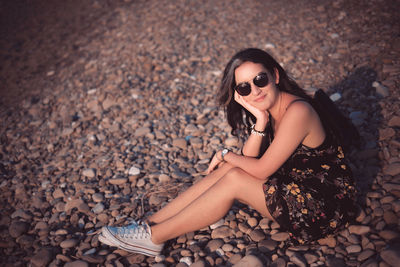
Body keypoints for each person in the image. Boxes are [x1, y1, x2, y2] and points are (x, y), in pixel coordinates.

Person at [98, 48, 357, 256]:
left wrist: (224, 153)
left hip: (324, 205)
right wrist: (260, 122)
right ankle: (149, 226)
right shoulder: (270, 111)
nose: (254, 91)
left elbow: (261, 169)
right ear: (238, 94)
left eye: (260, 80)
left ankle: (155, 238)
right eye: (244, 88)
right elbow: (250, 159)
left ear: (275, 76)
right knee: (232, 169)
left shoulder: (298, 111)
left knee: (233, 175)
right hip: (298, 187)